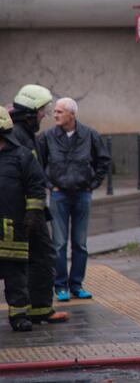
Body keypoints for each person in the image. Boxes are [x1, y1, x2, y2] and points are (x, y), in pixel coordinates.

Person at [38, 97, 110, 302]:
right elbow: (38, 164)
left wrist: (92, 184)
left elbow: (103, 160)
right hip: (59, 195)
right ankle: (60, 286)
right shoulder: (47, 137)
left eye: (60, 112)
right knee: (58, 243)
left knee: (80, 243)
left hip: (82, 194)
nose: (55, 115)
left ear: (72, 114)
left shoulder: (89, 135)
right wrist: (51, 185)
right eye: (55, 112)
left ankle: (76, 285)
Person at [9, 85, 70, 323]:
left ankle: (39, 309)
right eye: (41, 111)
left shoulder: (23, 134)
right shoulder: (19, 137)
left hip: (29, 212)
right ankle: (36, 310)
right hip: (26, 213)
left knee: (40, 257)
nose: (44, 115)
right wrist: (32, 213)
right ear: (30, 113)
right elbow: (26, 177)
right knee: (40, 257)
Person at [0, 106, 48, 332]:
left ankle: (19, 317)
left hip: (15, 230)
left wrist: (33, 215)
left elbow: (37, 188)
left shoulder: (21, 157)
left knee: (16, 276)